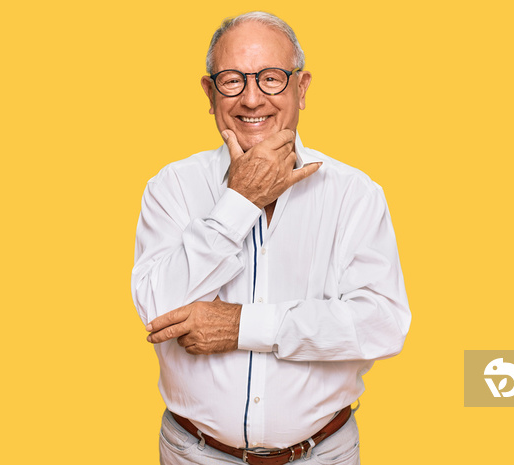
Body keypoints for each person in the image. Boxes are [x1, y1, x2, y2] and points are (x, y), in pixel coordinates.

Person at [131, 11, 411, 465]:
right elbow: (157, 312)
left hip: (323, 454)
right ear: (210, 93)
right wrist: (240, 201)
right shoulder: (171, 188)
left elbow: (382, 325)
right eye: (232, 80)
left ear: (301, 89)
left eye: (271, 79)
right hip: (196, 453)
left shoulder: (355, 194)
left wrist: (243, 326)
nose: (252, 98)